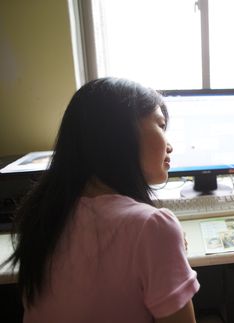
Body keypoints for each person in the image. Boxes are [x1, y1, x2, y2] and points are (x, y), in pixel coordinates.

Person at [2, 77, 199, 322]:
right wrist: (164, 242)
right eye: (160, 125)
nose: (169, 145)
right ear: (120, 134)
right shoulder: (152, 227)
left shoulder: (43, 213)